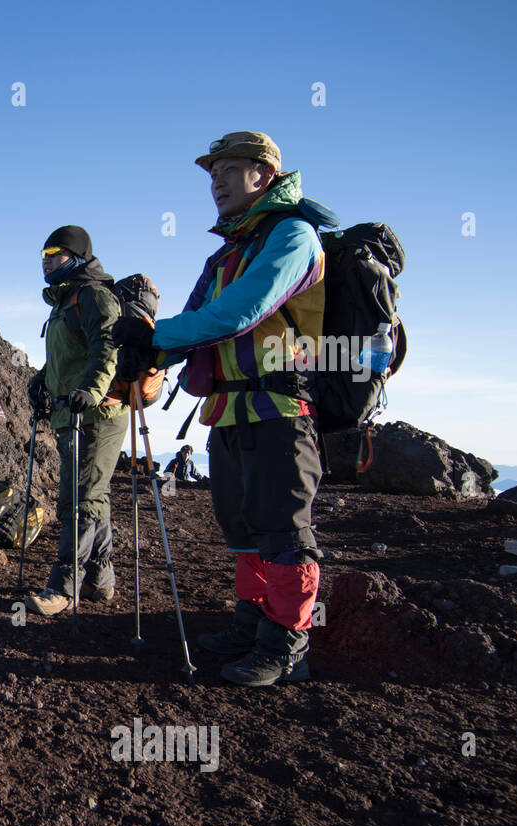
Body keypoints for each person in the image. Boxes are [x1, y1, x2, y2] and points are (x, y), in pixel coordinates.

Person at [115, 131, 339, 686]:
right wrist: (145, 347)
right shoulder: (227, 252)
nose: (215, 181)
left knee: (284, 531)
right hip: (228, 412)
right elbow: (194, 319)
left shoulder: (292, 237)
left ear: (263, 175)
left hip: (280, 410)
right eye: (212, 172)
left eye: (228, 169)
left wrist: (154, 333)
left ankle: (288, 644)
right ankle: (251, 625)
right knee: (242, 529)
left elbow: (238, 313)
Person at [24, 226, 128, 616]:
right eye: (44, 252)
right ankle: (100, 580)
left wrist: (93, 391)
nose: (47, 258)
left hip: (97, 415)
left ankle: (63, 587)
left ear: (79, 257)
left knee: (79, 498)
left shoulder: (94, 296)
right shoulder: (65, 301)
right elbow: (67, 357)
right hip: (71, 414)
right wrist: (42, 381)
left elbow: (107, 348)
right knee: (91, 496)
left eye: (56, 251)